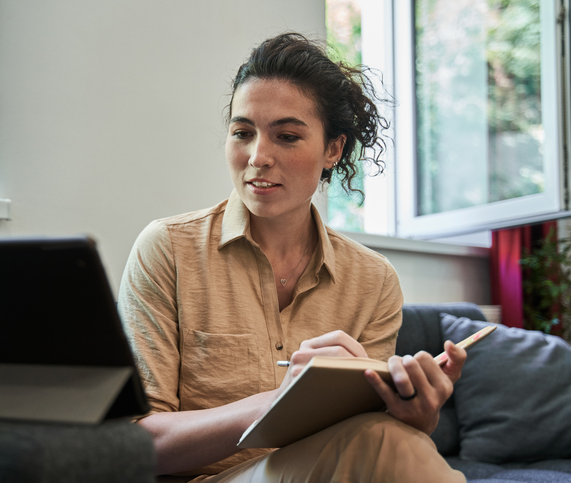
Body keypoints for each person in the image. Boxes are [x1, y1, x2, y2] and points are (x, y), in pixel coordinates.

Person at [118, 32, 467, 482]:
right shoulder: (167, 248)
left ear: (333, 149)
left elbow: (365, 434)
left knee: (388, 439)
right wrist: (282, 399)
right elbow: (138, 445)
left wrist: (417, 415)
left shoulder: (373, 280)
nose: (258, 157)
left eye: (286, 136)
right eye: (242, 132)